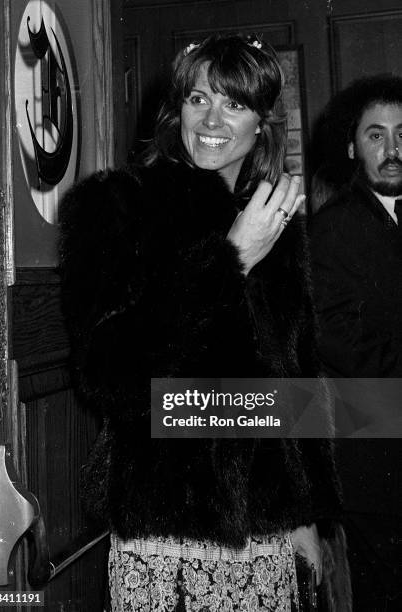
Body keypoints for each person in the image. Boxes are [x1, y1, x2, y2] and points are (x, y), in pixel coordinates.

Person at [60, 35, 350, 611]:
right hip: (166, 532)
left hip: (266, 535)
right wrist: (230, 260)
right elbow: (107, 374)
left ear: (263, 124)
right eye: (198, 99)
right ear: (177, 111)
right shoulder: (117, 205)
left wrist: (306, 515)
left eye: (234, 104)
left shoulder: (275, 219)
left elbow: (294, 374)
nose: (212, 119)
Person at [309, 76, 402, 609]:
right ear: (352, 147)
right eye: (375, 135)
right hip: (379, 467)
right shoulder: (336, 227)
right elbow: (335, 338)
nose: (392, 151)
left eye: (401, 134)